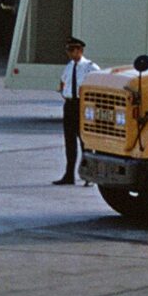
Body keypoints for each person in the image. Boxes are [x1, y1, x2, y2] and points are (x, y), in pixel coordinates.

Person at [54, 37, 98, 186]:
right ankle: (69, 174)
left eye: (72, 50)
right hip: (70, 105)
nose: (69, 54)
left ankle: (88, 176)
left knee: (85, 142)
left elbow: (98, 85)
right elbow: (62, 81)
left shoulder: (90, 67)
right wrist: (64, 92)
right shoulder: (69, 66)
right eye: (68, 51)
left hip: (82, 105)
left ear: (80, 50)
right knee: (69, 142)